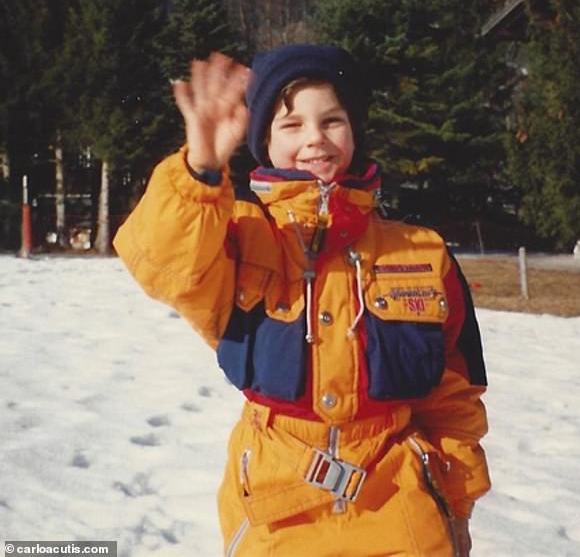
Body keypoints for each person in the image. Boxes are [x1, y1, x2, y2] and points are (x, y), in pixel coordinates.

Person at [114, 44, 490, 557]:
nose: (315, 138)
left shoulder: (424, 253)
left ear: (354, 132)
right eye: (291, 125)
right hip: (273, 515)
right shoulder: (236, 236)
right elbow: (160, 265)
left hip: (403, 517)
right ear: (263, 141)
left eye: (332, 120)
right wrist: (200, 169)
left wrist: (459, 505)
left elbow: (455, 402)